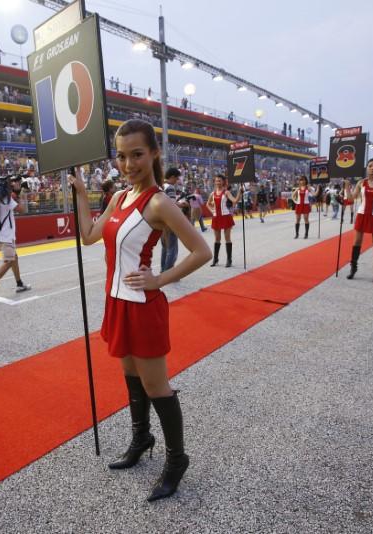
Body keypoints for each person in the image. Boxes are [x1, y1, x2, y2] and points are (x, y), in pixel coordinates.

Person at [69, 118, 211, 502]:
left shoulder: (160, 202)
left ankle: (177, 460)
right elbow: (88, 236)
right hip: (116, 302)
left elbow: (202, 251)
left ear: (154, 154)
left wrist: (160, 279)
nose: (128, 163)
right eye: (121, 155)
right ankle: (141, 438)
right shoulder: (118, 197)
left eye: (136, 154)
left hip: (143, 307)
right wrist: (82, 194)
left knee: (155, 385)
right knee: (130, 374)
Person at [0, 176, 32, 301]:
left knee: (14, 257)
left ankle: (19, 283)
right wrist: (23, 194)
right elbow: (23, 210)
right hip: (6, 235)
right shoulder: (7, 200)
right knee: (9, 261)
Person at [206, 174, 242, 267]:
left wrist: (239, 193)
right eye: (216, 181)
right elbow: (208, 204)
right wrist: (212, 211)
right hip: (216, 217)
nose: (218, 182)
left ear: (223, 182)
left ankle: (229, 260)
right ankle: (215, 259)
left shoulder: (226, 192)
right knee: (217, 239)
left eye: (219, 181)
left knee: (227, 238)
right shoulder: (212, 193)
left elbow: (234, 201)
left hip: (226, 216)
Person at [160, 167, 187, 272]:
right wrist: (181, 204)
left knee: (164, 247)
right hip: (170, 221)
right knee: (172, 248)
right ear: (172, 177)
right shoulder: (170, 187)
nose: (177, 181)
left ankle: (163, 269)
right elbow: (172, 205)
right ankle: (169, 272)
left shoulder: (161, 186)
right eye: (176, 179)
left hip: (161, 220)